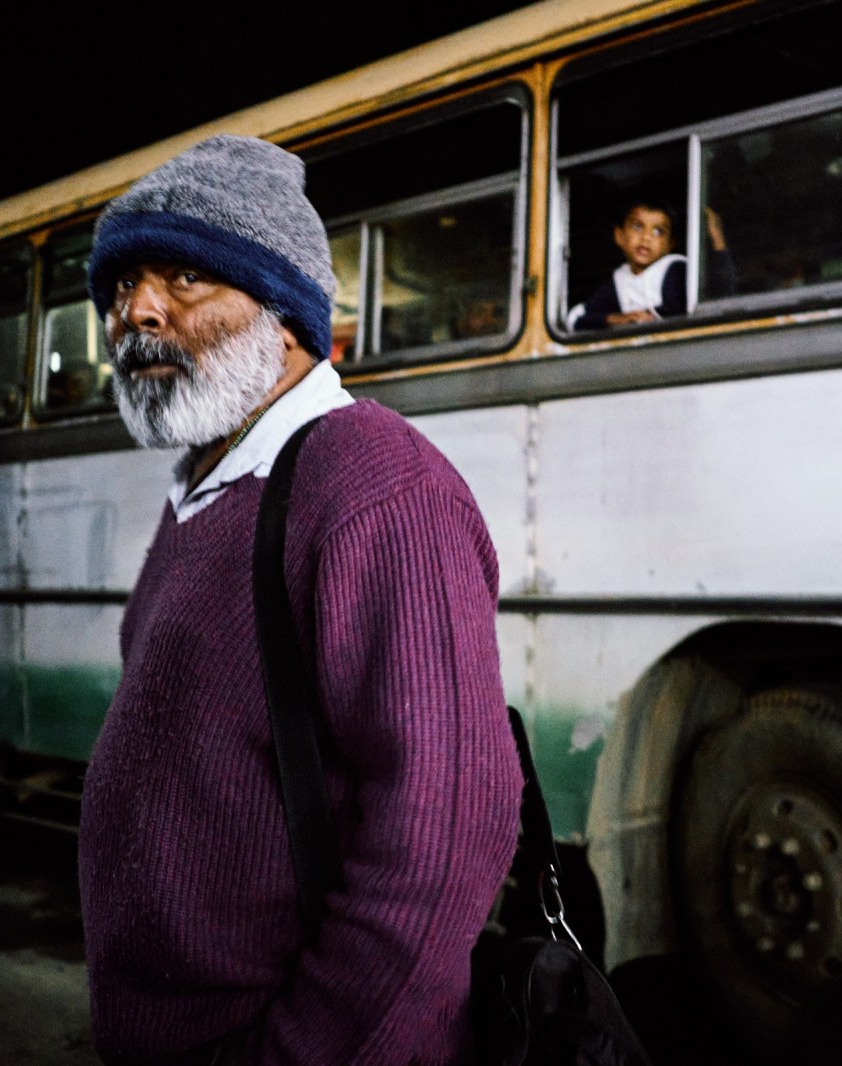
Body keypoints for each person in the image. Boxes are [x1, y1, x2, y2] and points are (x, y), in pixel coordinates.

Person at [77, 134, 523, 1066]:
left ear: (283, 314)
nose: (136, 312)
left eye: (184, 278)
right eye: (120, 287)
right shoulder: (202, 491)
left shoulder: (374, 482)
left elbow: (443, 845)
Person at [567, 199, 736, 331]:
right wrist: (615, 319)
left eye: (658, 232)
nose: (646, 237)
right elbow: (575, 319)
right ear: (619, 236)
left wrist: (718, 242)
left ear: (670, 244)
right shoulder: (618, 281)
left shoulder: (675, 269)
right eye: (637, 226)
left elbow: (720, 297)